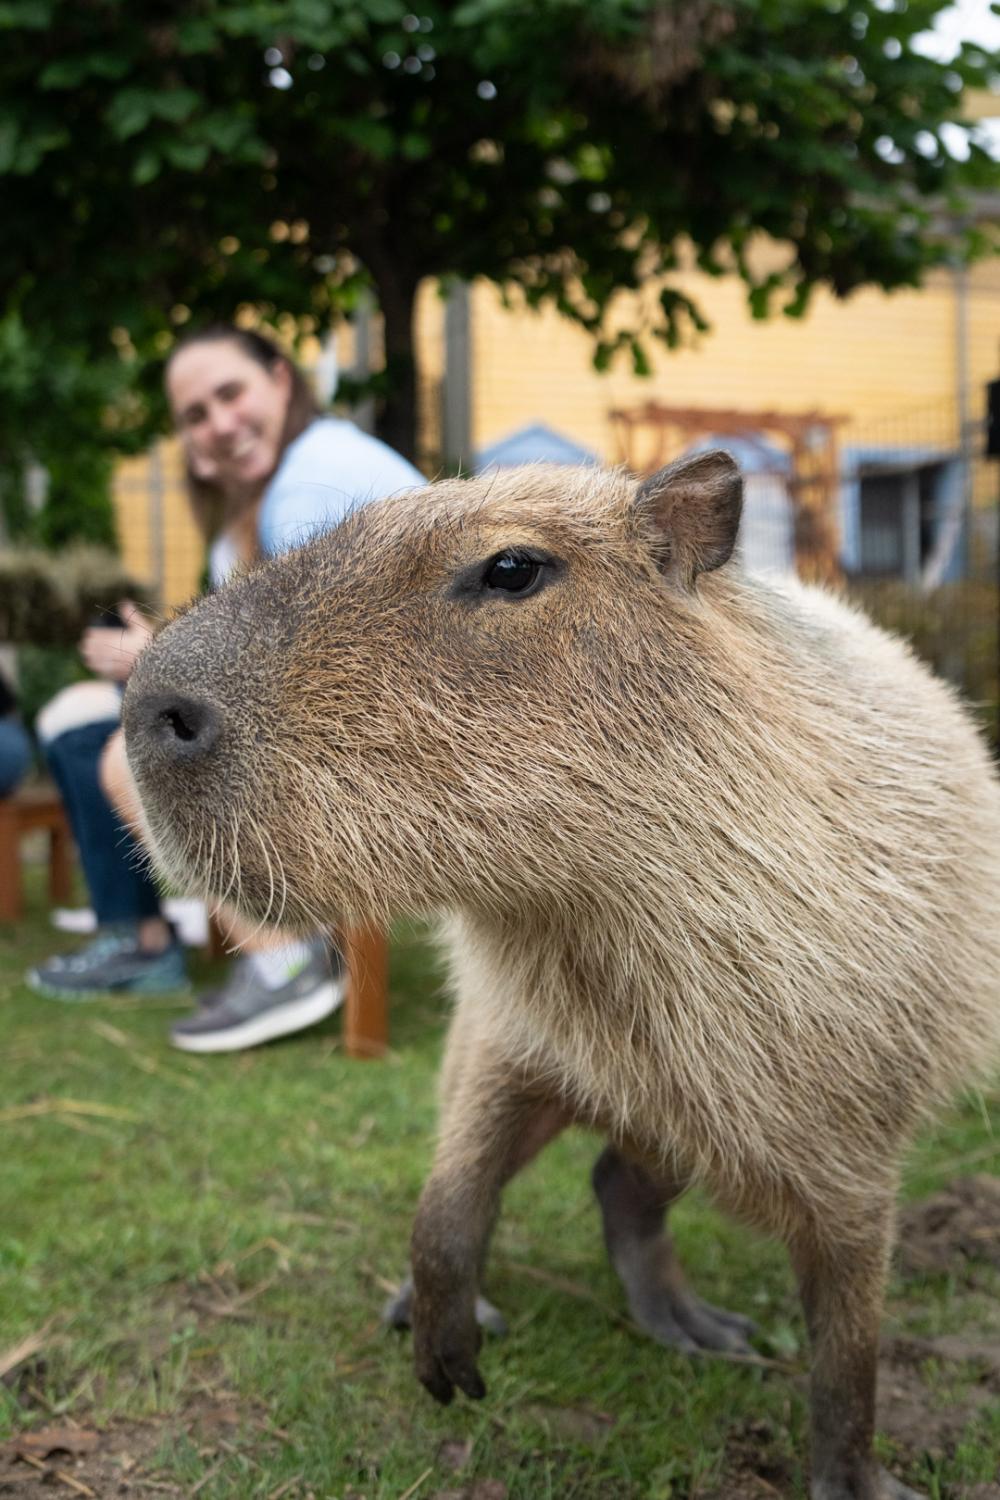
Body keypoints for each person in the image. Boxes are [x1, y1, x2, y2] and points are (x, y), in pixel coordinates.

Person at [30, 324, 424, 1051]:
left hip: (409, 733)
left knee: (127, 756)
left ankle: (286, 960)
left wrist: (152, 657)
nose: (219, 424)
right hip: (354, 717)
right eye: (195, 416)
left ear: (280, 379)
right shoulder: (246, 515)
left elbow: (322, 666)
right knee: (75, 716)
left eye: (230, 393)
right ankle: (138, 936)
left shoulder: (314, 480)